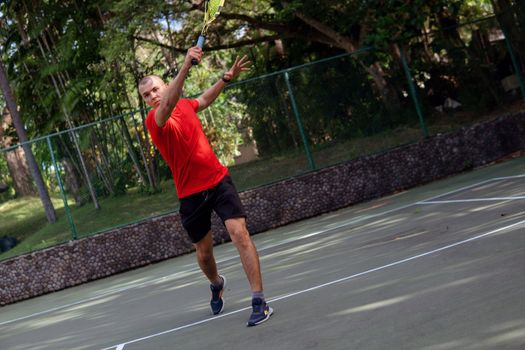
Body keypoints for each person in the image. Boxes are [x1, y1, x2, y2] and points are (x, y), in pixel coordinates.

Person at [138, 46, 273, 327]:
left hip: (218, 180)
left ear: (164, 86)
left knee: (239, 233)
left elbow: (203, 99)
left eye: (155, 89)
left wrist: (225, 79)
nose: (152, 96)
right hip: (190, 195)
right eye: (146, 95)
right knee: (204, 253)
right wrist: (186, 65)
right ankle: (216, 283)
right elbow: (168, 104)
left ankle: (259, 300)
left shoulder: (184, 104)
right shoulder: (155, 120)